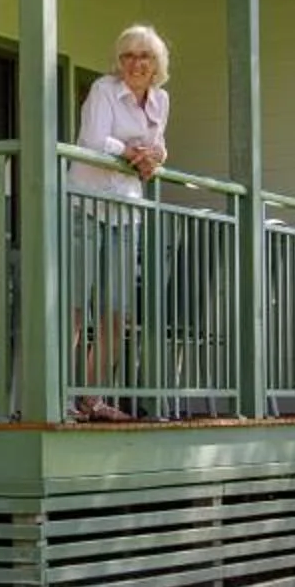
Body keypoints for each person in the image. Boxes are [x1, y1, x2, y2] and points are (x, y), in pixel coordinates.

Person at [66, 25, 172, 422]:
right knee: (75, 309)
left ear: (157, 63)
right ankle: (58, 398)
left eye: (144, 56)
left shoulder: (160, 100)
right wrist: (131, 152)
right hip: (87, 206)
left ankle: (93, 400)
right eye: (127, 55)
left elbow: (157, 145)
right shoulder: (103, 89)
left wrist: (153, 157)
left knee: (116, 313)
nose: (135, 63)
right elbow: (94, 142)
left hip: (127, 211)